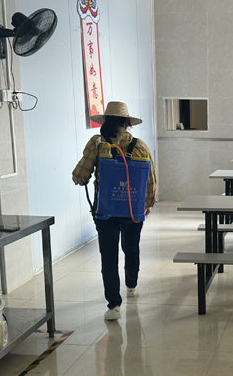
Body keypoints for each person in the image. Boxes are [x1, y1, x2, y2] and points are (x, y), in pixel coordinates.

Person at [72, 101, 157, 320]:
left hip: (105, 211)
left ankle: (114, 306)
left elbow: (80, 175)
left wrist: (84, 177)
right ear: (127, 123)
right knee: (132, 248)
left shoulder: (97, 143)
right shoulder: (140, 146)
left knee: (108, 257)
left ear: (106, 121)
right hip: (133, 211)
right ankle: (131, 285)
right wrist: (146, 205)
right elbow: (150, 181)